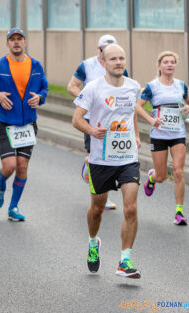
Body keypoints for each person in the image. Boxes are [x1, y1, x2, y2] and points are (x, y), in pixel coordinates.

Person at [72, 44, 142, 278]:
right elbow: (76, 119)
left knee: (130, 208)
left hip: (128, 157)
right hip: (101, 159)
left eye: (122, 58)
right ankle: (93, 242)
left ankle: (125, 261)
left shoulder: (134, 87)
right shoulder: (93, 88)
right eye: (113, 59)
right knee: (97, 209)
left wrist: (137, 136)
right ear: (103, 62)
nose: (119, 62)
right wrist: (91, 130)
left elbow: (131, 113)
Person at [0, 28, 48, 221]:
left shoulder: (35, 65)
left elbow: (44, 87)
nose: (16, 42)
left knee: (22, 166)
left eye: (19, 39)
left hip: (28, 124)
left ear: (25, 42)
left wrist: (40, 97)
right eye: (12, 39)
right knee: (9, 165)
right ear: (7, 44)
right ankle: (1, 183)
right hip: (5, 123)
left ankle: (13, 207)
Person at [67, 34, 129, 211]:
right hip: (91, 120)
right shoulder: (87, 65)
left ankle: (89, 163)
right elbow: (71, 85)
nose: (109, 52)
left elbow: (125, 89)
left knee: (109, 157)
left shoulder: (118, 66)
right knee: (100, 158)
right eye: (104, 48)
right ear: (98, 49)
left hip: (114, 120)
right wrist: (87, 102)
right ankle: (103, 196)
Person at [136, 51, 189, 226]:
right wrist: (151, 120)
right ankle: (152, 178)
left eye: (172, 62)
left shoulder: (181, 85)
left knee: (179, 172)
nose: (169, 65)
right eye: (166, 62)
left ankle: (179, 212)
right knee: (161, 176)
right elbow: (137, 106)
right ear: (159, 66)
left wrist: (187, 108)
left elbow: (188, 104)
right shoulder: (152, 86)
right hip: (159, 135)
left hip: (178, 134)